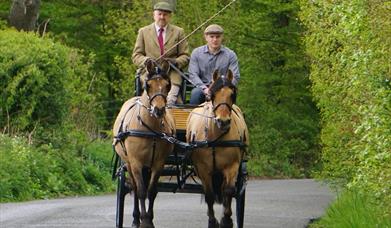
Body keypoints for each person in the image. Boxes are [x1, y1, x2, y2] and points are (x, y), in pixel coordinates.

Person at [132, 1, 190, 105]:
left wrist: (175, 62)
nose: (162, 17)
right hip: (150, 74)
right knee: (149, 99)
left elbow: (185, 56)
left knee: (171, 101)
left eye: (165, 14)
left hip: (171, 74)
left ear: (170, 16)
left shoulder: (178, 32)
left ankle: (169, 112)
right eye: (159, 14)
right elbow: (136, 55)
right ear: (154, 15)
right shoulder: (143, 32)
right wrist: (146, 61)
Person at [188, 24, 240, 105]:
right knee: (196, 94)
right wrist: (205, 89)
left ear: (222, 37)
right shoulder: (196, 53)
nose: (215, 39)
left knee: (231, 95)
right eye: (212, 36)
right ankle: (192, 116)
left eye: (218, 37)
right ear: (206, 37)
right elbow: (193, 75)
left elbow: (235, 76)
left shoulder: (230, 55)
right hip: (203, 87)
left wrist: (226, 88)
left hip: (223, 88)